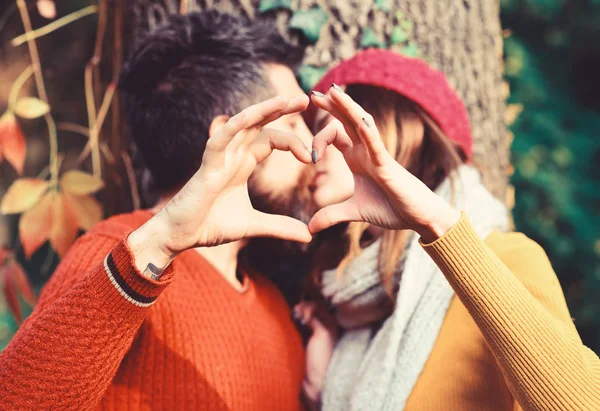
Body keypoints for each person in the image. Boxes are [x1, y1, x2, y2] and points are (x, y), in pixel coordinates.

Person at [0, 11, 317, 410]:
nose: (311, 147)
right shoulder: (115, 257)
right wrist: (151, 252)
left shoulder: (273, 306)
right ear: (235, 137)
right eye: (293, 125)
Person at [296, 49, 600, 410]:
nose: (312, 149)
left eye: (327, 127)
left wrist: (438, 226)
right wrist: (320, 394)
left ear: (389, 130)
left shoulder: (506, 256)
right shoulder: (353, 315)